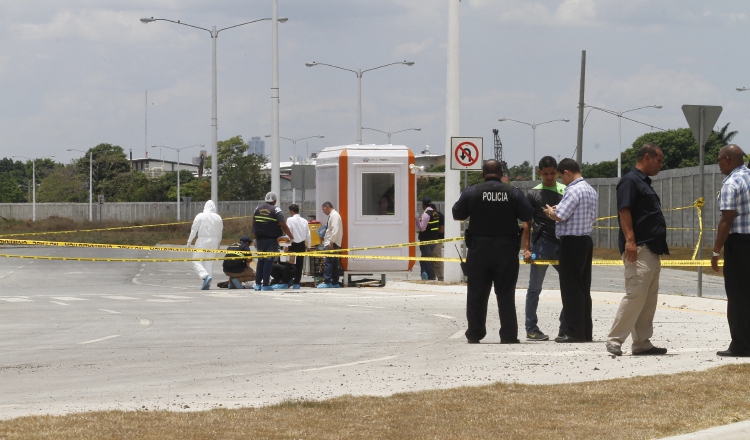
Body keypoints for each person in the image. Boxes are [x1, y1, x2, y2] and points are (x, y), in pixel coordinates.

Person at [452, 159, 534, 344]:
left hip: (478, 250)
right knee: (505, 293)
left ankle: (475, 333)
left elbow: (457, 213)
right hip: (506, 250)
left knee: (477, 294)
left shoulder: (472, 192)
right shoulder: (513, 192)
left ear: (483, 174)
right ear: (502, 174)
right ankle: (509, 335)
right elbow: (527, 215)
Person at [606, 143, 669, 356]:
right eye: (659, 160)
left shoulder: (644, 183)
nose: (661, 165)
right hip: (639, 247)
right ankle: (615, 340)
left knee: (648, 298)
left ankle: (642, 343)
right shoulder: (630, 181)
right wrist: (630, 241)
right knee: (635, 295)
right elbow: (624, 210)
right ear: (648, 157)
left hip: (651, 248)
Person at [543, 158, 598, 343]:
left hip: (572, 243)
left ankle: (574, 332)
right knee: (583, 288)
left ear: (566, 172)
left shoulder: (573, 190)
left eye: (560, 176)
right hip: (585, 241)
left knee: (571, 289)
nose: (561, 181)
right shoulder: (590, 190)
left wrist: (550, 212)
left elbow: (560, 215)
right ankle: (585, 331)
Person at [521, 156, 568, 341]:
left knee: (569, 287)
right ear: (539, 172)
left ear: (557, 172)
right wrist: (526, 248)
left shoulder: (565, 190)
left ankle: (564, 327)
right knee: (534, 289)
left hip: (562, 244)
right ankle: (531, 328)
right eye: (545, 173)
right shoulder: (533, 194)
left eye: (552, 173)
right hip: (541, 245)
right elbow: (527, 223)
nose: (549, 177)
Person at [711, 144, 750, 357]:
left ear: (728, 160)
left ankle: (741, 345)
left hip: (740, 244)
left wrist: (716, 250)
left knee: (737, 295)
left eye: (719, 160)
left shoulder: (731, 183)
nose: (718, 164)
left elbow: (727, 219)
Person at [250, 192, 294, 291]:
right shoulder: (276, 210)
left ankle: (257, 284)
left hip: (260, 239)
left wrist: (255, 238)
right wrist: (291, 237)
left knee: (260, 261)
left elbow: (253, 224)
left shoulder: (257, 209)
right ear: (275, 200)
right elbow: (283, 225)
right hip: (271, 240)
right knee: (268, 261)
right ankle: (265, 284)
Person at [187, 200, 223, 290]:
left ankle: (205, 276)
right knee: (209, 263)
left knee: (196, 260)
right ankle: (208, 283)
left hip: (202, 240)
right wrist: (218, 242)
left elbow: (194, 230)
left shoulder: (200, 216)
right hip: (214, 241)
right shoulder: (218, 217)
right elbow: (220, 232)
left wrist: (189, 241)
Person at [318, 201, 343, 288]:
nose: (323, 211)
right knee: (334, 263)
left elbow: (335, 229)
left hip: (331, 243)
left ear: (327, 207)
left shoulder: (334, 215)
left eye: (323, 209)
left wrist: (331, 241)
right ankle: (335, 282)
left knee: (328, 262)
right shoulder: (333, 215)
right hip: (332, 242)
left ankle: (327, 281)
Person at [286, 204, 311, 289]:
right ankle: (297, 283)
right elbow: (308, 234)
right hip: (301, 244)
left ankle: (288, 281)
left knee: (289, 263)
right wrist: (309, 246)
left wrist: (286, 243)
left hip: (292, 244)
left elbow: (288, 232)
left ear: (292, 211)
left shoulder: (290, 219)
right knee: (299, 264)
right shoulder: (304, 221)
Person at [416, 197, 440, 280]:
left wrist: (416, 219)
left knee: (427, 259)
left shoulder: (426, 214)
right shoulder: (435, 212)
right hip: (434, 239)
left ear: (423, 204)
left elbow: (422, 228)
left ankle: (431, 277)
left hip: (426, 240)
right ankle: (424, 274)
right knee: (423, 259)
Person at [431, 203, 445, 282]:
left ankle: (440, 277)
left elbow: (441, 230)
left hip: (438, 239)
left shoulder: (440, 216)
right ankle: (433, 277)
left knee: (437, 258)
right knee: (432, 259)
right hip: (432, 239)